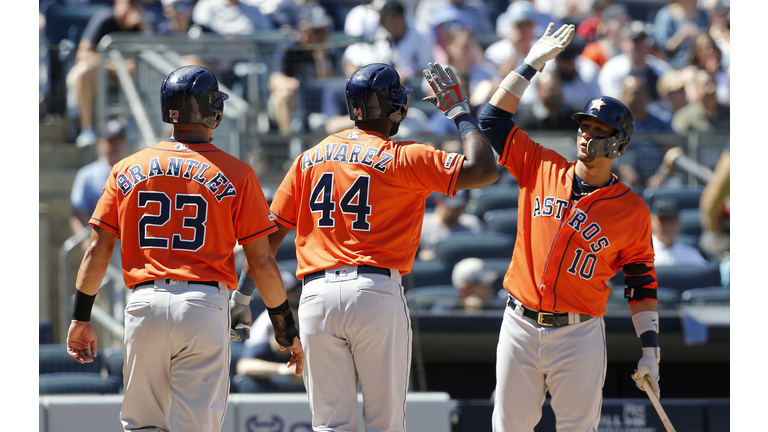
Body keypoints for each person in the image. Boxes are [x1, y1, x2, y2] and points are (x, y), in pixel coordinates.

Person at [253, 62, 498, 432]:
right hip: (374, 290)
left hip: (316, 295)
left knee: (331, 426)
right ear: (396, 106)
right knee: (384, 425)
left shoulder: (309, 157)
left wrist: (253, 306)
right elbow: (483, 169)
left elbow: (262, 249)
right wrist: (459, 112)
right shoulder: (406, 155)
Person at [65, 65, 304, 432]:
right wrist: (284, 327)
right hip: (203, 306)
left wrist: (81, 316)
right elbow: (262, 261)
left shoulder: (126, 168)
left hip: (144, 304)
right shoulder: (237, 173)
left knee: (142, 425)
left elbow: (97, 249)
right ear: (212, 111)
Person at [477, 23, 661, 431]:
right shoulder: (541, 164)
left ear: (619, 144)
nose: (586, 134)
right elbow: (491, 120)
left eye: (599, 130)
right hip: (520, 324)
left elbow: (640, 280)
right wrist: (530, 64)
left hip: (578, 335)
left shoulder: (631, 210)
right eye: (585, 125)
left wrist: (650, 350)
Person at [66, 0, 148, 148]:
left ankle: (142, 128)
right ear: (118, 3)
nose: (135, 8)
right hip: (103, 73)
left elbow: (154, 55)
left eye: (138, 4)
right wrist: (114, 65)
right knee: (84, 71)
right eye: (131, 3)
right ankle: (87, 129)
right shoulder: (105, 19)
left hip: (131, 77)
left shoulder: (142, 24)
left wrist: (144, 29)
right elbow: (83, 54)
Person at [267, 3, 340, 135]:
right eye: (317, 31)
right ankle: (289, 139)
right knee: (283, 94)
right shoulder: (291, 47)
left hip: (318, 101)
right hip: (297, 100)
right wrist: (297, 84)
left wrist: (321, 59)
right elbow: (274, 80)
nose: (322, 35)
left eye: (324, 30)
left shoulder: (329, 51)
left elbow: (330, 83)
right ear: (304, 29)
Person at [234, 269, 305, 393]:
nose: (295, 295)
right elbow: (244, 365)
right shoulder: (266, 331)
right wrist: (284, 370)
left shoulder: (302, 343)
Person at [69, 118, 128, 250]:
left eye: (118, 141)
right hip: (100, 245)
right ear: (99, 143)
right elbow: (77, 215)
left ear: (124, 143)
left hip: (128, 247)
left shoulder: (135, 173)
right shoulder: (87, 175)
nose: (114, 146)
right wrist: (85, 241)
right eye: (110, 141)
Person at [519, 35, 600, 113]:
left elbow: (595, 102)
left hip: (578, 117)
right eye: (563, 62)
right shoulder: (541, 68)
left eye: (570, 62)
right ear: (556, 59)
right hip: (545, 116)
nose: (567, 66)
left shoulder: (589, 70)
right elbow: (528, 100)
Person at [598, 20, 672, 102]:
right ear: (624, 44)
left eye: (643, 41)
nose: (640, 46)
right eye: (636, 41)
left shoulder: (659, 67)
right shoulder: (613, 69)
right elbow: (611, 101)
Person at [372, 0, 433, 81]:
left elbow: (429, 70)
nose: (385, 24)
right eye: (383, 20)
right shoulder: (381, 36)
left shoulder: (420, 35)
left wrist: (407, 74)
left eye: (390, 19)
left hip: (414, 86)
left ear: (401, 18)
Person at [419, 190, 484, 261]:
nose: (457, 211)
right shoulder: (422, 224)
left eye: (460, 207)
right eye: (453, 207)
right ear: (439, 202)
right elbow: (420, 255)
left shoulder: (472, 223)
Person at [650, 198, 709, 266]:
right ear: (652, 222)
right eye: (662, 221)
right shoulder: (639, 254)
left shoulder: (691, 255)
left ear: (679, 223)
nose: (667, 226)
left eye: (671, 221)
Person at [671, 68, 730, 137]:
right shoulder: (685, 116)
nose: (711, 89)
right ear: (696, 88)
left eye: (713, 83)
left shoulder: (729, 113)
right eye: (705, 85)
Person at [431, 257, 502, 313]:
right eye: (483, 284)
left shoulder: (498, 309)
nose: (489, 288)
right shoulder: (444, 310)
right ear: (465, 289)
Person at [485, 0, 537, 77]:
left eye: (527, 24)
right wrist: (516, 51)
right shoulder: (495, 52)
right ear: (512, 26)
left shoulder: (540, 49)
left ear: (533, 25)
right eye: (519, 25)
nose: (523, 30)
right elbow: (501, 83)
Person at [652, 0, 708, 70]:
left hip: (699, 65)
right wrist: (681, 36)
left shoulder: (704, 15)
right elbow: (660, 48)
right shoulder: (666, 15)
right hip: (672, 67)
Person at [580, 3, 630, 69]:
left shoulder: (630, 49)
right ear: (607, 24)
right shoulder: (593, 51)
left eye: (626, 20)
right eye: (619, 20)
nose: (623, 24)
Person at [191, 0, 274, 37]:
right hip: (214, 57)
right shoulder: (206, 5)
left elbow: (267, 34)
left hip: (250, 58)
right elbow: (199, 30)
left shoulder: (254, 9)